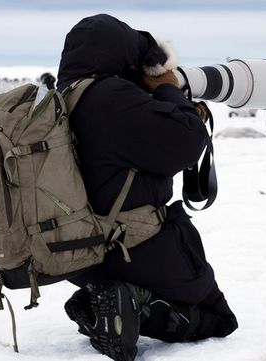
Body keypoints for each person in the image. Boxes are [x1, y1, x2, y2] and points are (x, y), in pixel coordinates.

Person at [55, 14, 237, 361]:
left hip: (77, 255)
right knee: (218, 317)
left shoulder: (61, 99)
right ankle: (132, 306)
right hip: (134, 250)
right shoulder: (112, 97)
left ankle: (102, 302)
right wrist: (168, 88)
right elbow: (184, 142)